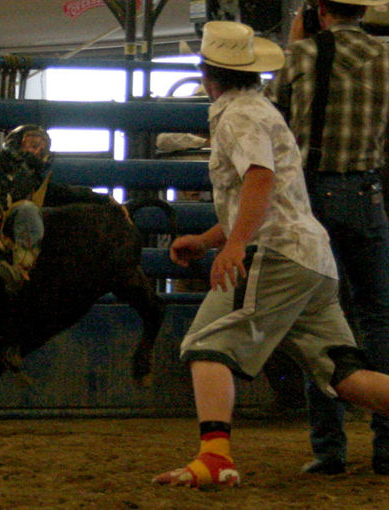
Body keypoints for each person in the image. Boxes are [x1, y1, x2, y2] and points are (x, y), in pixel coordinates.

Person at [152, 20, 389, 489]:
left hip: (278, 255)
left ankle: (215, 458)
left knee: (206, 345)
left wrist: (235, 243)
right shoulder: (259, 110)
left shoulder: (237, 116)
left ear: (207, 72)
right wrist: (209, 239)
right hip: (312, 260)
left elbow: (259, 178)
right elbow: (265, 194)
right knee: (346, 376)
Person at [266, 0, 389, 475]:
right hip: (367, 192)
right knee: (378, 317)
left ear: (320, 10)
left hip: (309, 197)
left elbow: (275, 126)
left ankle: (329, 448)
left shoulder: (298, 57)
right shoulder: (385, 58)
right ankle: (385, 447)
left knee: (318, 318)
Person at [0, 124, 112, 294]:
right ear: (16, 142)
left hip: (11, 218)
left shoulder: (38, 182)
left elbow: (70, 192)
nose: (36, 151)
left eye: (41, 149)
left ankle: (21, 267)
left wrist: (105, 199)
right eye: (33, 145)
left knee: (29, 208)